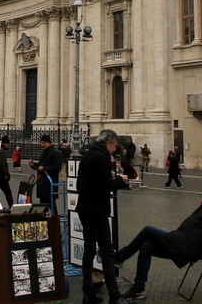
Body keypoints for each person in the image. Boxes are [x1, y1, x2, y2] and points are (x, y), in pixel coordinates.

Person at [116, 179, 202, 300]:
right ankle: (138, 289)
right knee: (146, 247)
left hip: (185, 246)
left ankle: (120, 257)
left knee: (148, 230)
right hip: (180, 241)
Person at [76, 130, 129, 304]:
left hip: (83, 209)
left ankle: (88, 292)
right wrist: (121, 180)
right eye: (114, 146)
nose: (114, 150)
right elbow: (107, 185)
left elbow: (78, 184)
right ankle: (114, 296)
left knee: (89, 250)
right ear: (108, 143)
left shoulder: (87, 155)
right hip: (97, 210)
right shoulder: (103, 157)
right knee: (107, 251)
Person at [29, 135, 63, 215]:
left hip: (49, 183)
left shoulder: (55, 153)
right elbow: (41, 166)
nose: (42, 145)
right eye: (41, 143)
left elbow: (57, 167)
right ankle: (44, 222)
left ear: (49, 142)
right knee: (43, 205)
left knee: (51, 204)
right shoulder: (45, 152)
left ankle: (55, 223)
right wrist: (34, 165)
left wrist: (45, 169)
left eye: (43, 143)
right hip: (42, 184)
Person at [0, 137, 14, 207]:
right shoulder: (2, 151)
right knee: (8, 193)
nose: (8, 146)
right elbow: (2, 164)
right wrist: (6, 174)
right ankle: (11, 207)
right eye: (7, 144)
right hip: (1, 177)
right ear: (4, 143)